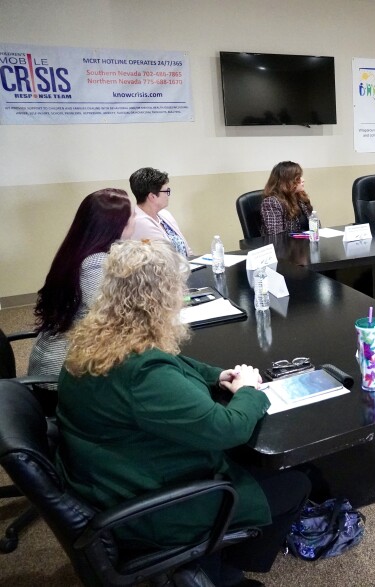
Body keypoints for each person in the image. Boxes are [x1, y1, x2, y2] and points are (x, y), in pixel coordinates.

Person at [56, 239, 310, 586]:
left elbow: (171, 361)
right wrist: (249, 391)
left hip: (106, 473)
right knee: (295, 483)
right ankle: (224, 574)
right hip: (148, 501)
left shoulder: (98, 336)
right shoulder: (144, 375)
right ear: (161, 296)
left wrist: (216, 375)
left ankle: (216, 561)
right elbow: (226, 429)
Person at [27, 189, 136, 400]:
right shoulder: (95, 264)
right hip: (62, 377)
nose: (136, 220)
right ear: (116, 224)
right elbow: (118, 318)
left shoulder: (79, 250)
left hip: (69, 359)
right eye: (132, 216)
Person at [129, 166, 192, 256]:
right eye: (166, 191)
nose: (168, 195)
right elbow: (164, 257)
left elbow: (185, 248)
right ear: (152, 196)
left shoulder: (164, 214)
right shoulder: (140, 222)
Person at [260, 161, 313, 236]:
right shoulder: (271, 202)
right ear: (287, 182)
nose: (303, 180)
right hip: (286, 246)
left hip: (306, 244)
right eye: (298, 178)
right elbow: (276, 236)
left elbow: (315, 223)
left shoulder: (301, 197)